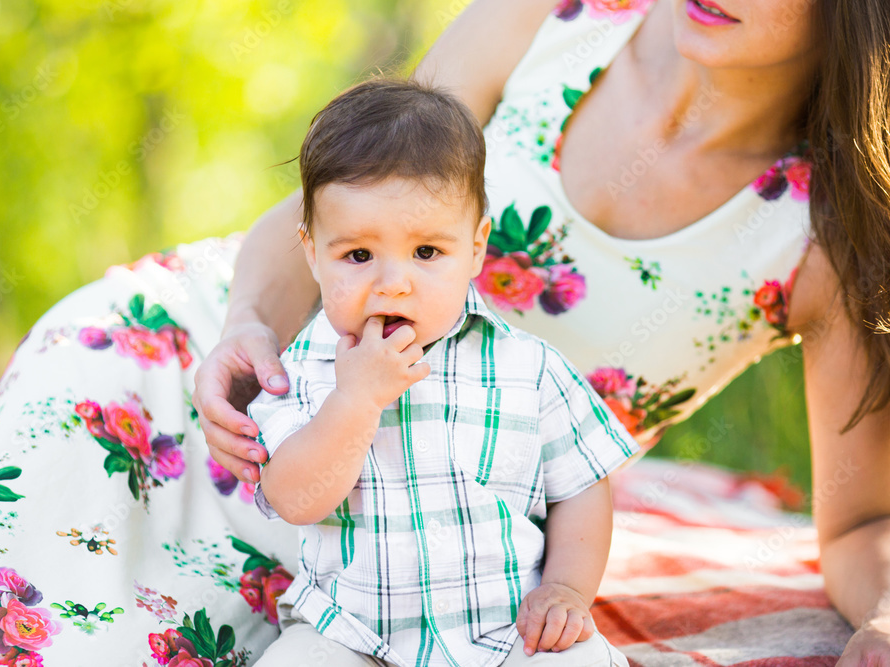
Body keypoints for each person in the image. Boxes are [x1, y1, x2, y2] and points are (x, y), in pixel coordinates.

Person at [193, 0, 890, 664]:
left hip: (471, 578)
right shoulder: (555, 16)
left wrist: (884, 619)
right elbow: (343, 198)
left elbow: (862, 525)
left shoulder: (821, 238)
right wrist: (245, 322)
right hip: (254, 406)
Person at [246, 78, 635, 667]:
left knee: (580, 661)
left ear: (476, 248)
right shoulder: (300, 369)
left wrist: (567, 590)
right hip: (350, 634)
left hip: (507, 633)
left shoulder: (528, 367)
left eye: (427, 253)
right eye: (358, 255)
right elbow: (295, 499)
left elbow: (581, 485)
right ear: (313, 253)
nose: (393, 282)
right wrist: (354, 401)